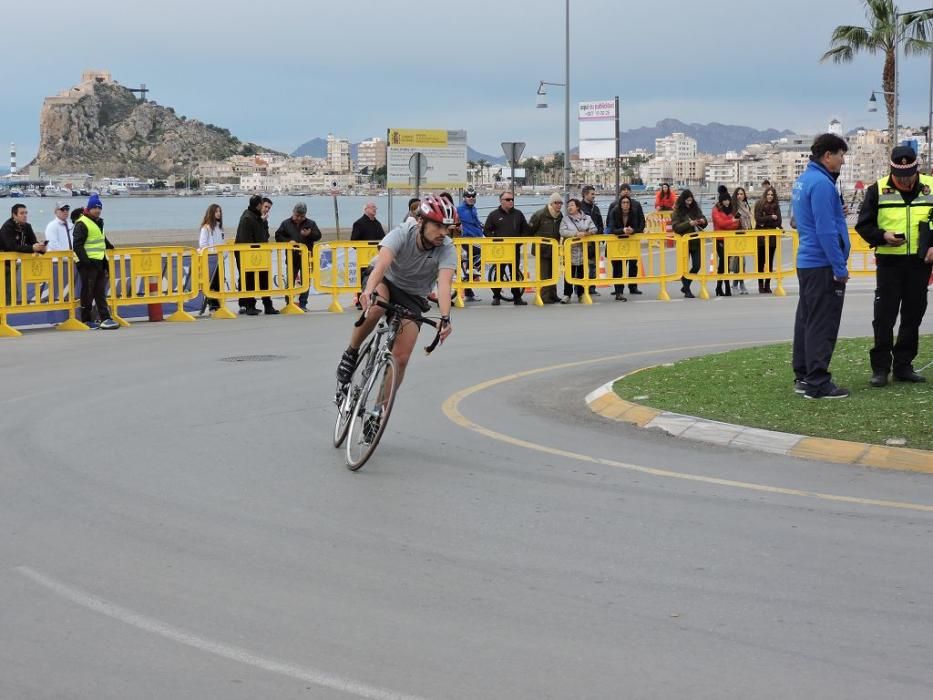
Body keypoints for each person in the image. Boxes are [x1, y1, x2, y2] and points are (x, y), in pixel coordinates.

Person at [335, 194, 456, 393]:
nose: (443, 232)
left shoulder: (447, 249)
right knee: (375, 308)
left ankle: (378, 415)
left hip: (413, 297)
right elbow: (381, 266)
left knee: (401, 358)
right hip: (385, 281)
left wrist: (445, 317)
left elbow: (444, 285)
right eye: (437, 225)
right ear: (420, 222)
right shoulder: (402, 233)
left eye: (447, 227)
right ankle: (351, 352)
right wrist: (367, 291)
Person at [855, 145, 933, 387]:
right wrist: (883, 235)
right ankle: (880, 369)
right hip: (889, 262)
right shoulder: (877, 190)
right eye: (899, 178)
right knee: (884, 317)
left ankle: (904, 366)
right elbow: (863, 226)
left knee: (913, 316)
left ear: (916, 170)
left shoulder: (931, 186)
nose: (904, 182)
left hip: (920, 262)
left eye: (908, 177)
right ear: (892, 171)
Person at [791, 133, 850, 399]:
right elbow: (826, 231)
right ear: (828, 156)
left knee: (806, 319)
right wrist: (839, 267)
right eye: (840, 155)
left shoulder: (803, 180)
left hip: (807, 261)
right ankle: (817, 382)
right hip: (822, 263)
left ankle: (804, 375)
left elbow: (795, 221)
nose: (842, 161)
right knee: (822, 322)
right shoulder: (823, 184)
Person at [72, 194, 119, 330]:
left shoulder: (98, 221)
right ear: (89, 208)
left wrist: (109, 245)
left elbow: (100, 237)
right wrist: (86, 262)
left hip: (99, 261)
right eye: (95, 208)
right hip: (88, 263)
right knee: (88, 292)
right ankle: (86, 320)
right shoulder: (82, 223)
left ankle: (105, 318)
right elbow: (78, 245)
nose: (97, 210)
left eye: (99, 208)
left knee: (99, 291)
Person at [483, 191, 530, 305]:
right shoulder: (494, 215)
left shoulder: (518, 214)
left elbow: (525, 230)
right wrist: (495, 240)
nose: (511, 201)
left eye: (512, 199)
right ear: (501, 201)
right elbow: (486, 230)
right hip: (500, 250)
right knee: (499, 272)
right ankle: (497, 296)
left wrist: (520, 241)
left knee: (514, 273)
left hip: (514, 249)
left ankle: (517, 297)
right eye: (508, 199)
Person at [275, 202, 322, 312]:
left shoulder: (311, 223)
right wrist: (288, 241)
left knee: (306, 281)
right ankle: (289, 302)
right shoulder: (286, 223)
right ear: (293, 213)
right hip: (292, 257)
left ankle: (303, 304)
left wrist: (309, 234)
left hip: (306, 256)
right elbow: (278, 236)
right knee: (290, 280)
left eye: (302, 216)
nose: (299, 218)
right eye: (297, 216)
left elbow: (318, 236)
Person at [235, 195, 277, 316]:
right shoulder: (248, 218)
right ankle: (249, 305)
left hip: (259, 253)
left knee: (264, 278)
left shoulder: (257, 218)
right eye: (264, 205)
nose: (266, 209)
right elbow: (245, 239)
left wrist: (263, 222)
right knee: (249, 279)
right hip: (250, 254)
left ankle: (267, 305)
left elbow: (264, 236)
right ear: (259, 205)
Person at [1, 203, 47, 306]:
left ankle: (6, 317)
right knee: (6, 294)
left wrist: (41, 248)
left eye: (26, 213)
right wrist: (32, 248)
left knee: (12, 294)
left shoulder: (27, 226)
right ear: (14, 215)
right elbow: (11, 247)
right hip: (2, 264)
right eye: (22, 213)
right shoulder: (7, 227)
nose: (25, 215)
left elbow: (33, 243)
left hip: (13, 265)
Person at [607, 184, 646, 295]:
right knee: (617, 266)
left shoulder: (636, 206)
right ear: (619, 192)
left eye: (627, 190)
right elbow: (609, 224)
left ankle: (633, 287)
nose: (625, 192)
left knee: (633, 264)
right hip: (617, 241)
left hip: (632, 240)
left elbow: (641, 222)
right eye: (623, 190)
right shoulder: (613, 206)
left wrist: (633, 230)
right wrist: (622, 231)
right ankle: (618, 288)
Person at [559, 198, 598, 303]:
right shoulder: (565, 219)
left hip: (583, 250)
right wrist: (576, 234)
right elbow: (562, 231)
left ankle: (581, 294)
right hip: (570, 250)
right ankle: (567, 294)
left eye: (572, 205)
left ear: (577, 207)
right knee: (569, 273)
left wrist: (587, 233)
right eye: (568, 206)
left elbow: (595, 229)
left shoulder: (587, 218)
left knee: (581, 272)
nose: (569, 207)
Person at [528, 192, 564, 304]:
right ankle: (544, 296)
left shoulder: (560, 216)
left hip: (554, 248)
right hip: (541, 249)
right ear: (551, 203)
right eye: (556, 203)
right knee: (544, 274)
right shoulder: (540, 214)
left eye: (560, 203)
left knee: (554, 273)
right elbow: (530, 229)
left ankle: (553, 294)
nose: (559, 205)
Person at [671, 189, 707, 298]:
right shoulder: (677, 211)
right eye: (687, 198)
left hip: (696, 241)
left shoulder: (695, 208)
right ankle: (687, 290)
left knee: (697, 266)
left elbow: (703, 218)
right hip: (684, 243)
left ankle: (685, 284)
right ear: (683, 199)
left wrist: (703, 221)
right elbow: (676, 227)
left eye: (691, 198)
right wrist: (689, 223)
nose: (689, 200)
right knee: (684, 268)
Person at [711, 188, 741, 297]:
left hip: (730, 239)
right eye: (725, 200)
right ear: (721, 201)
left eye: (728, 200)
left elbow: (736, 225)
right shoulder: (716, 209)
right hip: (720, 239)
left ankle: (719, 287)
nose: (727, 202)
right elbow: (720, 223)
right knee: (723, 261)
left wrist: (730, 223)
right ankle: (726, 286)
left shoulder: (732, 210)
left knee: (725, 263)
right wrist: (731, 222)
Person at [456, 185, 483, 301]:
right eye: (468, 196)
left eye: (473, 196)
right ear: (464, 197)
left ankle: (469, 291)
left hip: (476, 237)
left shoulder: (473, 208)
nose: (471, 198)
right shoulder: (459, 209)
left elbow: (476, 222)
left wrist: (482, 226)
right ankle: (470, 271)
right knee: (482, 252)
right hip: (467, 238)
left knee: (474, 259)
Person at [754, 186, 782, 293]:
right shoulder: (759, 205)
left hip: (771, 238)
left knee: (769, 261)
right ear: (765, 195)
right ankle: (760, 285)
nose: (770, 196)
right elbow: (758, 219)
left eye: (772, 195)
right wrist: (771, 217)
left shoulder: (776, 206)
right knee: (760, 261)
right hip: (760, 238)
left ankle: (767, 284)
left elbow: (778, 222)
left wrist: (765, 221)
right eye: (768, 194)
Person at [198, 203, 224, 312]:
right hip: (210, 259)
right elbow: (203, 244)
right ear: (211, 213)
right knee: (212, 282)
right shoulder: (206, 228)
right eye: (216, 211)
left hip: (220, 258)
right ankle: (212, 305)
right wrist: (212, 253)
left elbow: (222, 242)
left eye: (219, 211)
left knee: (219, 282)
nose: (218, 214)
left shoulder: (220, 228)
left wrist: (223, 255)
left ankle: (218, 304)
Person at [580, 185, 604, 294]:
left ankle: (592, 288)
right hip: (582, 242)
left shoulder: (596, 208)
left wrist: (601, 234)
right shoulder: (579, 208)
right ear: (585, 194)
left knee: (593, 266)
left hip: (594, 242)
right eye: (592, 194)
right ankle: (580, 289)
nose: (594, 196)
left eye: (594, 194)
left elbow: (600, 223)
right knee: (581, 266)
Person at [731, 187, 753, 294]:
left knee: (741, 262)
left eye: (742, 194)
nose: (740, 196)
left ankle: (738, 284)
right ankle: (738, 284)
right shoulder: (734, 206)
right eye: (738, 194)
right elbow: (732, 220)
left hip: (745, 235)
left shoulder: (746, 206)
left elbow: (749, 220)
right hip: (737, 236)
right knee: (739, 261)